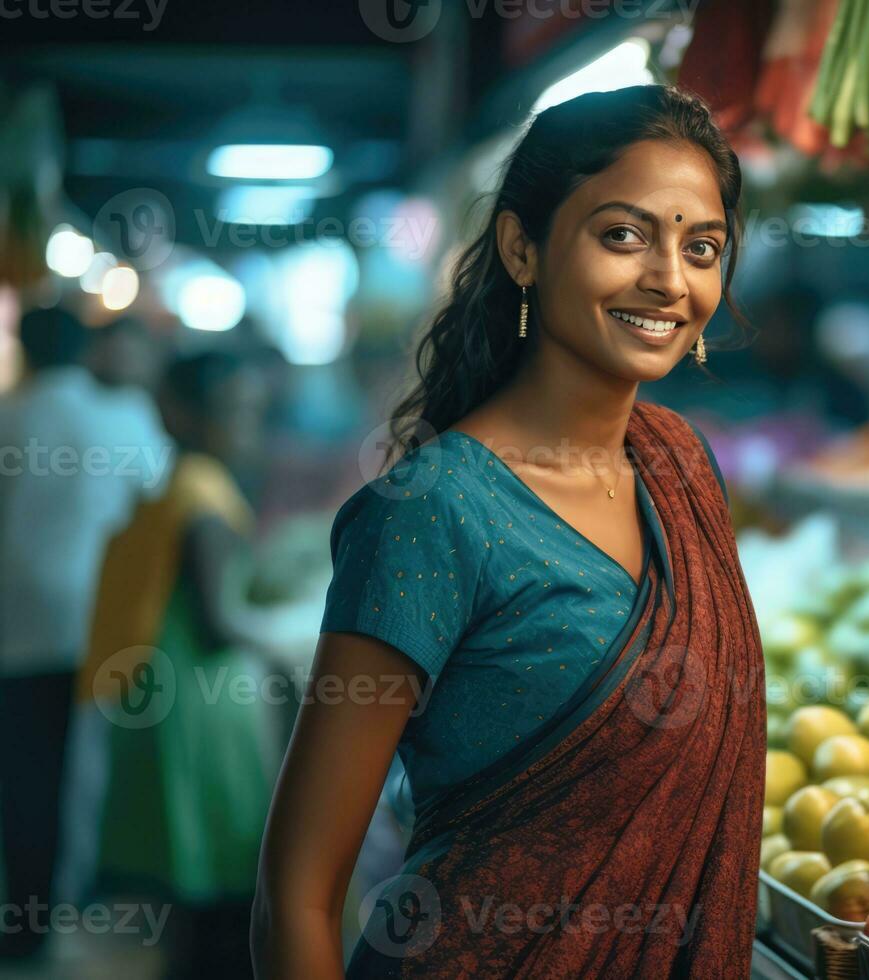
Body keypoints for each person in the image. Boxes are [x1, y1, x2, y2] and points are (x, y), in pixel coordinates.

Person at [252, 85, 765, 979]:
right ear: (522, 247)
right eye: (623, 235)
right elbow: (297, 893)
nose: (670, 280)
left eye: (703, 248)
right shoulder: (433, 513)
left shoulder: (684, 469)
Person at [83, 351, 276, 979]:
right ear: (186, 415)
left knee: (183, 892)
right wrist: (301, 640)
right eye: (234, 413)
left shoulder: (174, 479)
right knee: (226, 871)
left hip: (161, 689)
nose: (248, 429)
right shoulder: (206, 488)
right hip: (206, 702)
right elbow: (222, 620)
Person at [0, 305, 172, 959]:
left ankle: (27, 922)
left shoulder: (9, 417)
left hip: (17, 624)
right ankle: (77, 904)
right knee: (88, 768)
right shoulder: (124, 417)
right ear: (88, 349)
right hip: (106, 617)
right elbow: (162, 493)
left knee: (25, 775)